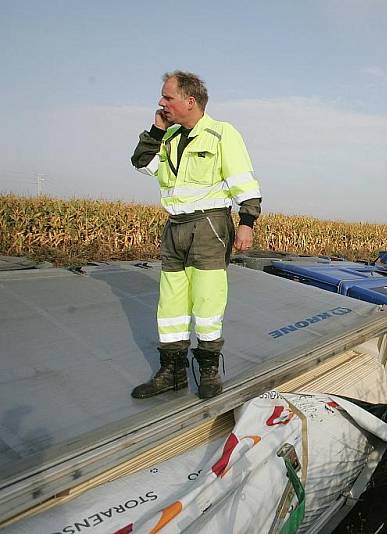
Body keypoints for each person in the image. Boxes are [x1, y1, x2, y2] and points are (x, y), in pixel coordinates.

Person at [130, 71, 262, 399]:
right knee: (171, 305)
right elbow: (141, 162)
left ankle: (208, 371)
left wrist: (247, 222)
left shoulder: (221, 134)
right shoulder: (170, 136)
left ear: (190, 101)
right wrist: (157, 129)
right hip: (174, 227)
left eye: (168, 97)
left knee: (207, 301)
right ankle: (172, 372)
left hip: (209, 227)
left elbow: (244, 181)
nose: (161, 102)